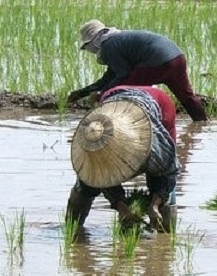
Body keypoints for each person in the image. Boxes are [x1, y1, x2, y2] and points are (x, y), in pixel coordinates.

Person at [65, 86, 180, 233]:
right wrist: (122, 209)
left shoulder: (152, 145)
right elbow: (101, 180)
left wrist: (155, 204)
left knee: (161, 178)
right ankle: (71, 230)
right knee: (87, 180)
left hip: (157, 105)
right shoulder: (94, 136)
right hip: (112, 104)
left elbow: (169, 170)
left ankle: (166, 238)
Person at [67, 20, 209, 121]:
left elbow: (123, 74)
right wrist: (83, 92)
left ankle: (126, 125)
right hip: (176, 57)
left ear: (93, 40)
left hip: (157, 62)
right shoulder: (116, 40)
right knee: (187, 97)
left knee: (124, 92)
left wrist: (103, 94)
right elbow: (110, 76)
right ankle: (201, 124)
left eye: (87, 45)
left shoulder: (109, 45)